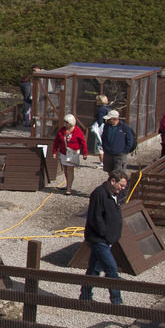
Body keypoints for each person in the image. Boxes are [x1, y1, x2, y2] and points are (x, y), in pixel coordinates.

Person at [80, 170, 129, 304]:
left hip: (107, 239)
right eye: (121, 185)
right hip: (99, 239)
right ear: (113, 181)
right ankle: (116, 301)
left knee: (94, 269)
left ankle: (84, 296)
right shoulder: (99, 194)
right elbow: (95, 217)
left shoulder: (115, 194)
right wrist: (105, 234)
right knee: (111, 268)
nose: (123, 189)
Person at [50, 114, 89, 195]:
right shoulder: (62, 130)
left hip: (73, 152)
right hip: (63, 152)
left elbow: (83, 142)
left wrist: (85, 153)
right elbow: (56, 141)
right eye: (65, 122)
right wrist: (54, 151)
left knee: (70, 170)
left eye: (67, 122)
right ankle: (68, 184)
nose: (65, 124)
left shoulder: (77, 131)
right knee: (65, 169)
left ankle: (69, 188)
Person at [98, 109, 137, 175]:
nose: (108, 120)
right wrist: (105, 148)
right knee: (110, 173)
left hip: (119, 155)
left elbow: (130, 141)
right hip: (108, 154)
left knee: (119, 174)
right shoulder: (106, 126)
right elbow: (103, 137)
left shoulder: (125, 128)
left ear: (115, 119)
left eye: (109, 119)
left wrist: (125, 151)